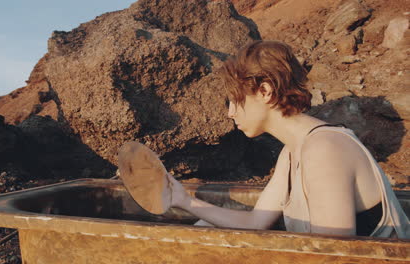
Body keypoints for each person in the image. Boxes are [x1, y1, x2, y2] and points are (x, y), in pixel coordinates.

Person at [166, 40, 409, 238]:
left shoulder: (325, 150)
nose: (230, 112)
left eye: (234, 99)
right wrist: (184, 200)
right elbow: (255, 222)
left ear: (265, 91)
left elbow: (333, 256)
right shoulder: (293, 152)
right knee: (204, 228)